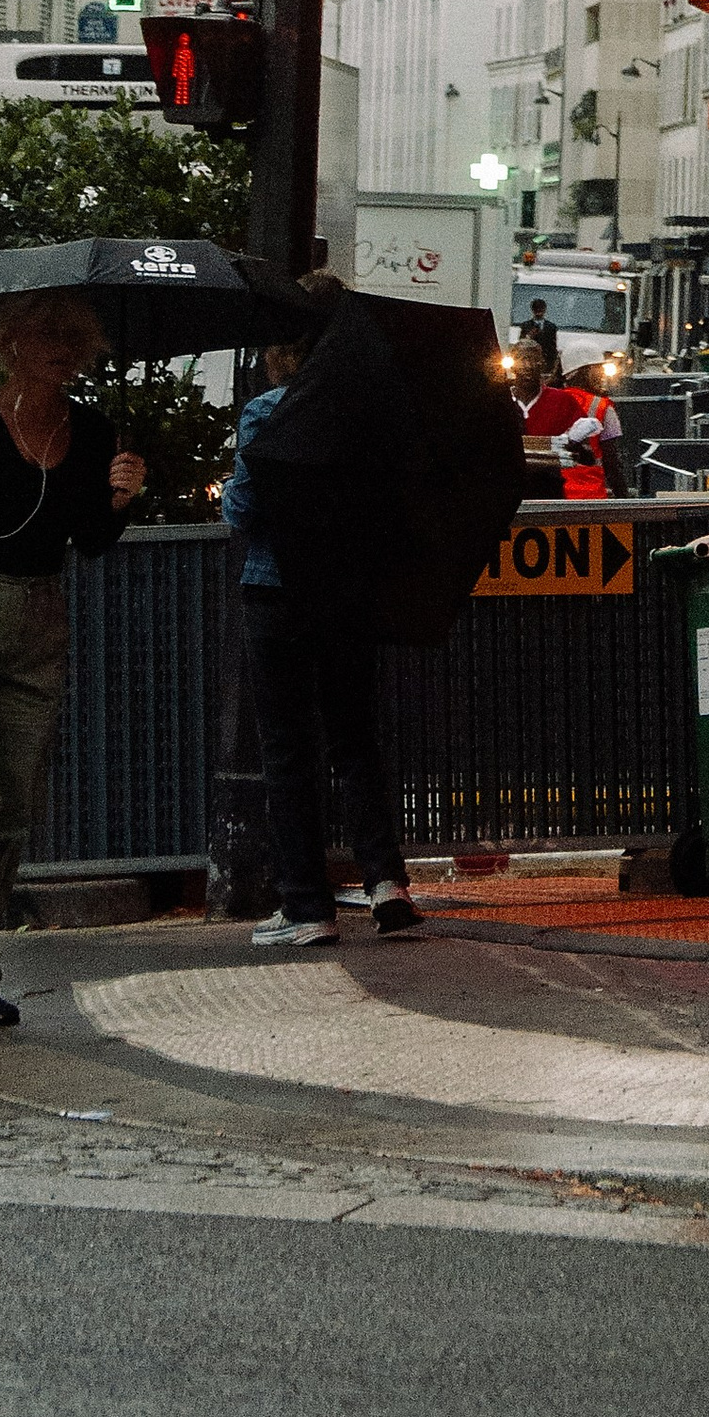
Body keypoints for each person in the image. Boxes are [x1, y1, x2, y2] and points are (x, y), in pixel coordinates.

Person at [0, 292, 147, 1031]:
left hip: (40, 623)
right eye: (44, 333)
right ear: (7, 342)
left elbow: (92, 540)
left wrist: (121, 498)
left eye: (73, 337)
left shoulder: (91, 430)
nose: (60, 347)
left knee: (11, 815)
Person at [224, 273, 420, 949]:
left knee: (288, 750)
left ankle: (307, 904)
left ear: (285, 347)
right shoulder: (373, 412)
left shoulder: (267, 410)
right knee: (355, 739)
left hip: (276, 590)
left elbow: (245, 511)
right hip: (347, 594)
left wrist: (232, 481)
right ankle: (385, 880)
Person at [510, 331, 619, 500]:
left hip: (551, 492)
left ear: (543, 363)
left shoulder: (563, 401)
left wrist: (574, 446)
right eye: (522, 359)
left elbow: (589, 455)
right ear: (511, 364)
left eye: (533, 359)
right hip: (509, 493)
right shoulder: (498, 402)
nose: (528, 365)